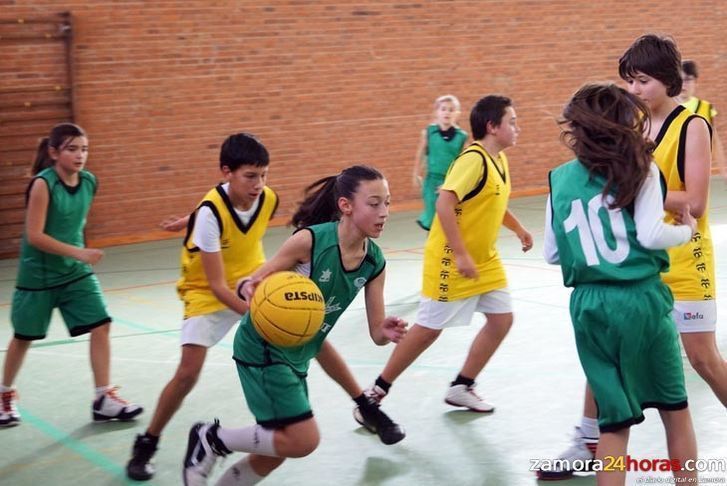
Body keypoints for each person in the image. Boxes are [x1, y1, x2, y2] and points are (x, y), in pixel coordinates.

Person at [538, 33, 726, 481]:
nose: (635, 90)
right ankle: (586, 441)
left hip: (681, 255)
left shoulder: (692, 125)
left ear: (666, 80)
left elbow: (696, 203)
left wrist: (632, 189)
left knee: (702, 360)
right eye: (631, 82)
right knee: (605, 356)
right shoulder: (630, 129)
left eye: (643, 81)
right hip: (636, 259)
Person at [181, 165, 408, 485]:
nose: (384, 212)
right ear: (345, 205)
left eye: (387, 202)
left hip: (295, 357)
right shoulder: (311, 242)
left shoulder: (375, 262)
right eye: (374, 203)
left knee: (274, 452)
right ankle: (213, 438)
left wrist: (385, 331)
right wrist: (250, 284)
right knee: (303, 440)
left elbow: (375, 332)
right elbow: (258, 275)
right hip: (264, 349)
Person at [363, 95, 533, 414]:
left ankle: (461, 386)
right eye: (512, 121)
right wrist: (460, 254)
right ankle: (375, 393)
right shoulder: (473, 159)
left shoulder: (500, 161)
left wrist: (519, 229)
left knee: (501, 320)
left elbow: (492, 202)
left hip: (485, 259)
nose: (517, 127)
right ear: (492, 127)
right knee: (428, 330)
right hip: (451, 259)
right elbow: (445, 202)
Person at [125, 133, 279, 480]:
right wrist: (259, 315)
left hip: (251, 281)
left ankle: (272, 429)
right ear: (227, 172)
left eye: (264, 175)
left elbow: (234, 224)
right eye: (250, 176)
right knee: (187, 373)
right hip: (207, 290)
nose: (259, 184)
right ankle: (146, 443)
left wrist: (186, 219)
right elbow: (216, 285)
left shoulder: (268, 199)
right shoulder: (210, 213)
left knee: (281, 350)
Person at [0, 123, 143, 428]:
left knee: (101, 324)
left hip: (74, 273)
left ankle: (103, 398)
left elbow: (72, 224)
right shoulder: (43, 184)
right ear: (53, 153)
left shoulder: (90, 181)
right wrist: (80, 252)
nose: (80, 155)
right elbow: (35, 235)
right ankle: (4, 394)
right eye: (72, 149)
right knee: (23, 338)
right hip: (38, 276)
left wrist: (78, 256)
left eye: (84, 148)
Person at [413, 94, 468, 231]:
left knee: (451, 219)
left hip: (451, 181)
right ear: (436, 112)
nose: (447, 112)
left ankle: (450, 249)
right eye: (443, 109)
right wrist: (416, 173)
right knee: (433, 219)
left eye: (451, 109)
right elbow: (421, 152)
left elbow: (465, 163)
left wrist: (453, 183)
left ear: (457, 114)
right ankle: (433, 250)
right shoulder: (429, 132)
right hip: (432, 181)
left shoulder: (462, 137)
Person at [679, 59, 726, 179]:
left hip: (697, 172)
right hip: (672, 171)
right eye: (680, 79)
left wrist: (723, 171)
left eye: (688, 80)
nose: (684, 84)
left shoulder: (705, 108)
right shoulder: (666, 107)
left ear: (696, 82)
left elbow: (714, 141)